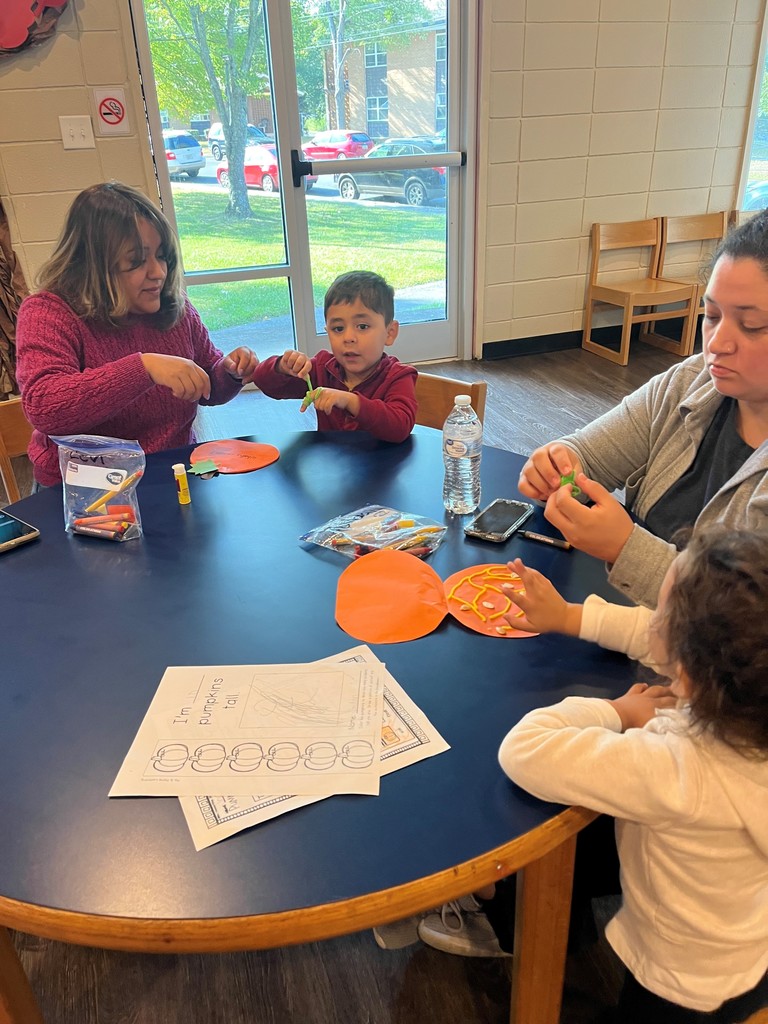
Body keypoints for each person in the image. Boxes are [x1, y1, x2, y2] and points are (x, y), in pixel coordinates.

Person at [494, 530, 768, 1022]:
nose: (649, 621)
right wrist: (569, 616)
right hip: (748, 950)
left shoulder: (675, 769)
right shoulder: (748, 700)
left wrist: (617, 711)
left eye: (659, 613)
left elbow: (524, 750)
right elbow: (655, 636)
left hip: (678, 980)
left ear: (683, 672)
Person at [518, 211, 768, 609]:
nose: (717, 343)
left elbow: (739, 620)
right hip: (621, 622)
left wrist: (625, 547)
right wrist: (557, 464)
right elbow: (589, 453)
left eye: (751, 325)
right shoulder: (693, 380)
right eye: (713, 316)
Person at [16, 181, 258, 487]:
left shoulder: (175, 309)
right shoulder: (49, 312)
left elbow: (208, 383)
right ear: (92, 266)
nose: (158, 272)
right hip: (85, 493)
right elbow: (45, 407)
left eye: (162, 256)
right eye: (137, 261)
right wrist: (143, 368)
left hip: (174, 475)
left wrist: (230, 372)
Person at [251, 270, 417, 443]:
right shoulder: (322, 369)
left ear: (390, 333)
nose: (348, 338)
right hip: (332, 467)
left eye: (362, 326)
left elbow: (400, 427)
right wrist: (281, 367)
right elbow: (263, 381)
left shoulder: (398, 376)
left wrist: (350, 401)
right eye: (338, 329)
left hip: (386, 468)